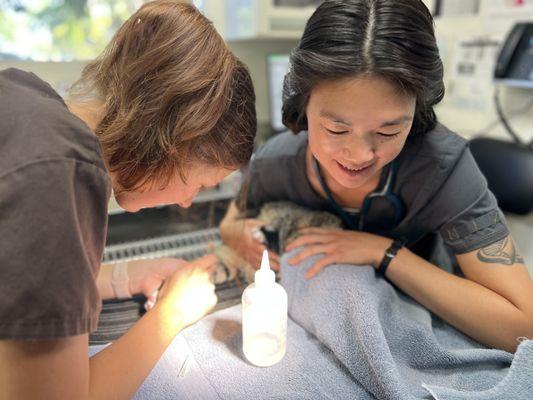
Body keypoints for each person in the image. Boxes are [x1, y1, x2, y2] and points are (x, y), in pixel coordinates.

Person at [220, 0, 533, 353]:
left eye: (387, 133)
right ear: (302, 104)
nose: (360, 155)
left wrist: (384, 253)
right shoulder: (277, 162)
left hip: (426, 322)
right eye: (336, 129)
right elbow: (231, 222)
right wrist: (238, 236)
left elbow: (523, 326)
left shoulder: (442, 168)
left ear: (418, 110)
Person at [0, 1, 256, 398]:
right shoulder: (62, 173)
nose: (188, 202)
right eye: (200, 185)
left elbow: (17, 282)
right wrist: (171, 315)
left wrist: (122, 277)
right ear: (174, 140)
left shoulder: (25, 94)